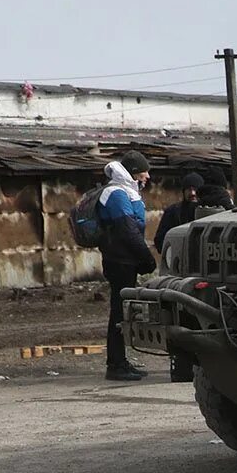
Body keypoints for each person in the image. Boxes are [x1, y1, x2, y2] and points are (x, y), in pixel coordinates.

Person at [97, 151, 157, 381]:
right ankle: (116, 365)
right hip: (120, 261)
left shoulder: (124, 191)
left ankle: (120, 362)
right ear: (133, 172)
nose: (147, 176)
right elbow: (128, 230)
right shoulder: (117, 194)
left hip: (122, 259)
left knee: (122, 311)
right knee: (119, 313)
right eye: (144, 171)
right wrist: (147, 257)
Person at [153, 172, 203, 249]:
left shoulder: (207, 211)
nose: (192, 193)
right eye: (189, 189)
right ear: (184, 191)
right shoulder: (172, 211)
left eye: (195, 189)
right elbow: (160, 240)